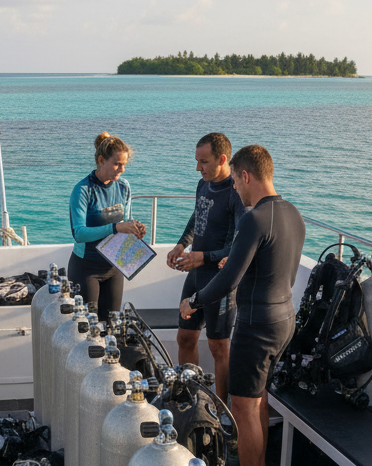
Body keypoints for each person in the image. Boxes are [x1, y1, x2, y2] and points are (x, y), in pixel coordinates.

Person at [178, 145, 305, 466]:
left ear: (246, 176)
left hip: (256, 325)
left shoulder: (253, 218)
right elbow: (284, 272)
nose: (234, 186)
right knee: (258, 396)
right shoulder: (293, 213)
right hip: (284, 319)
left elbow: (229, 279)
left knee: (242, 406)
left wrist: (193, 301)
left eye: (235, 180)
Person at [165, 132, 246, 404]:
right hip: (197, 274)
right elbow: (197, 216)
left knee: (218, 346)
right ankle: (190, 400)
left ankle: (221, 412)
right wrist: (181, 245)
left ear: (222, 159)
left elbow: (238, 246)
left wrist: (203, 258)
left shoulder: (236, 193)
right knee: (185, 337)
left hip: (220, 278)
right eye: (197, 161)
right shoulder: (204, 184)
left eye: (203, 162)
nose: (198, 168)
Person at [67, 132, 146, 321]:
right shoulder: (83, 190)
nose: (122, 169)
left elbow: (127, 220)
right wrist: (116, 227)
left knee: (112, 326)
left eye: (124, 164)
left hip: (114, 267)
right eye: (117, 164)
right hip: (86, 268)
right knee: (86, 328)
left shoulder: (123, 187)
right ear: (101, 160)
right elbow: (79, 233)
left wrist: (135, 228)